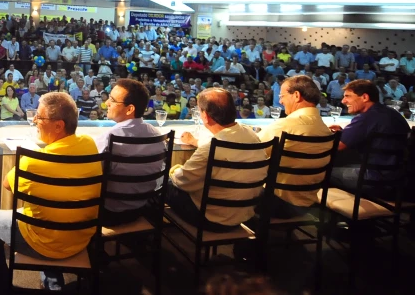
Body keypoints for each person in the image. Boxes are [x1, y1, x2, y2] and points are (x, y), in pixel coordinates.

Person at [0, 92, 102, 294]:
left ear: (59, 125)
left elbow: (7, 184)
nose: (34, 120)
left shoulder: (32, 162)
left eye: (40, 117)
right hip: (80, 238)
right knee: (45, 207)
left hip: (46, 242)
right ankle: (52, 282)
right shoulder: (89, 143)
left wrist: (29, 155)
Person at [167, 88, 268, 231]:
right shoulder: (252, 136)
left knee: (163, 183)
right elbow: (228, 150)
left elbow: (182, 181)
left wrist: (174, 169)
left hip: (210, 219)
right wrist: (197, 142)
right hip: (243, 214)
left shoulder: (210, 149)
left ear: (206, 116)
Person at [256, 76, 333, 217]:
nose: (280, 101)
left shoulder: (285, 125)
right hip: (308, 203)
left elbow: (250, 153)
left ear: (296, 95)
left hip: (276, 204)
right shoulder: (325, 129)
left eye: (282, 96)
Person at [94, 78, 165, 225]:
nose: (107, 103)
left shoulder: (109, 137)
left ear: (130, 109)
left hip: (108, 213)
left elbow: (92, 175)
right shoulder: (158, 136)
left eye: (112, 100)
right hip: (143, 207)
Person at [328, 79, 411, 198]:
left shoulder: (366, 117)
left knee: (322, 172)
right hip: (399, 178)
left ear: (365, 97)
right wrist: (344, 132)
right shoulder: (392, 114)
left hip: (375, 180)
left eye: (348, 96)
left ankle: (332, 213)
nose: (343, 101)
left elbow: (337, 146)